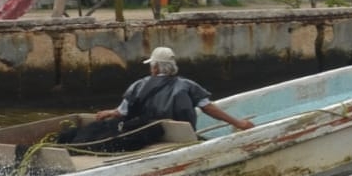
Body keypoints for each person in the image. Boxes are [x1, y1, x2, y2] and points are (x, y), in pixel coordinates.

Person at [94, 46, 254, 134]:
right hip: (182, 135)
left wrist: (109, 112)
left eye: (151, 66)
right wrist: (238, 123)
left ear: (155, 67)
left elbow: (122, 112)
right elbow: (208, 108)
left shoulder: (139, 85)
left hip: (145, 133)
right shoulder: (187, 85)